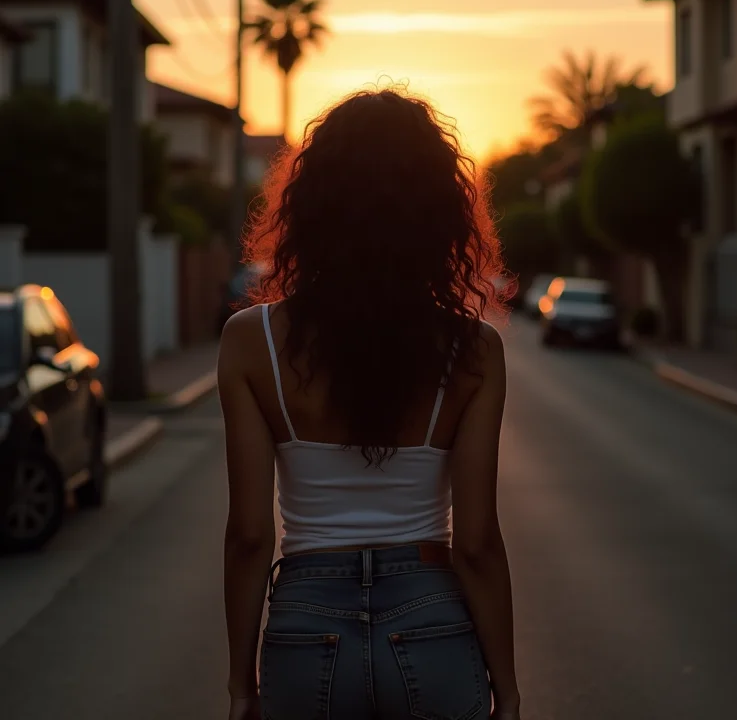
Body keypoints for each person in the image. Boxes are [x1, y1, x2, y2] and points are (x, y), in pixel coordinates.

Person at [217, 88, 522, 720]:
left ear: (312, 205)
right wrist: (509, 691)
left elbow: (250, 537)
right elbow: (477, 544)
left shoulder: (251, 342)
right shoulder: (474, 350)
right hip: (432, 620)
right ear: (439, 212)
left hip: (305, 624)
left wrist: (241, 684)